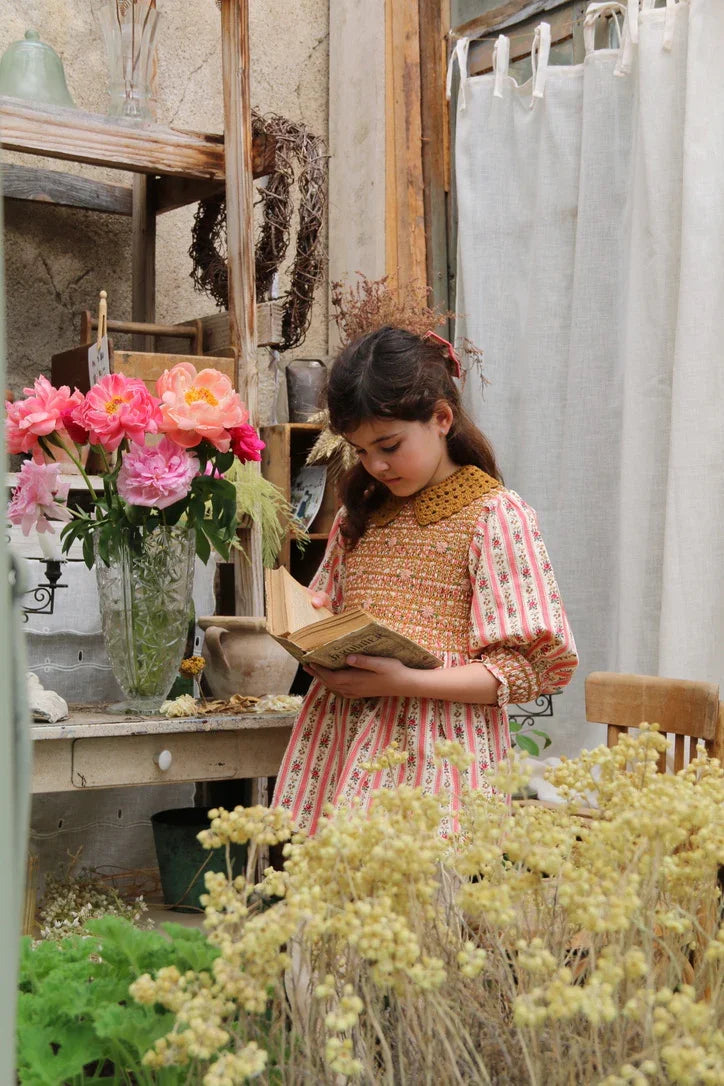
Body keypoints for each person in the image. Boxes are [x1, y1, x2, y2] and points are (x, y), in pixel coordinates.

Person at [272, 327, 577, 835]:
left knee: (423, 884)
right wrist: (313, 622)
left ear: (441, 418)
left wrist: (405, 681)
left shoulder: (494, 516)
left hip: (439, 757)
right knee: (335, 881)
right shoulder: (359, 516)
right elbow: (328, 613)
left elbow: (528, 669)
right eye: (360, 451)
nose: (376, 465)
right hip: (345, 744)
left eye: (389, 445)